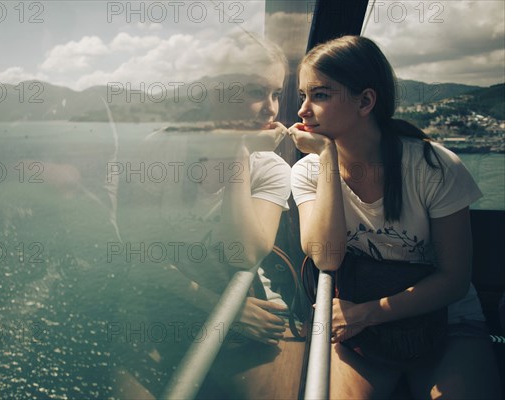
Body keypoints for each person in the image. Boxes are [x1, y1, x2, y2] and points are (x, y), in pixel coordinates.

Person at [288, 35, 501, 399]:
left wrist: (367, 313)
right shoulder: (309, 172)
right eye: (303, 96)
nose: (303, 111)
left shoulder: (433, 167)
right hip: (361, 329)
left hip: (448, 322)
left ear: (365, 101)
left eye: (320, 95)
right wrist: (327, 161)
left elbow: (453, 281)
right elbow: (326, 256)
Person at [108, 32, 302, 399]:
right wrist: (223, 310)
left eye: (275, 93)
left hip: (252, 317)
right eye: (256, 92)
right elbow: (139, 255)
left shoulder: (269, 168)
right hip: (165, 310)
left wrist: (237, 153)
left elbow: (243, 255)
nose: (271, 109)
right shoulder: (158, 152)